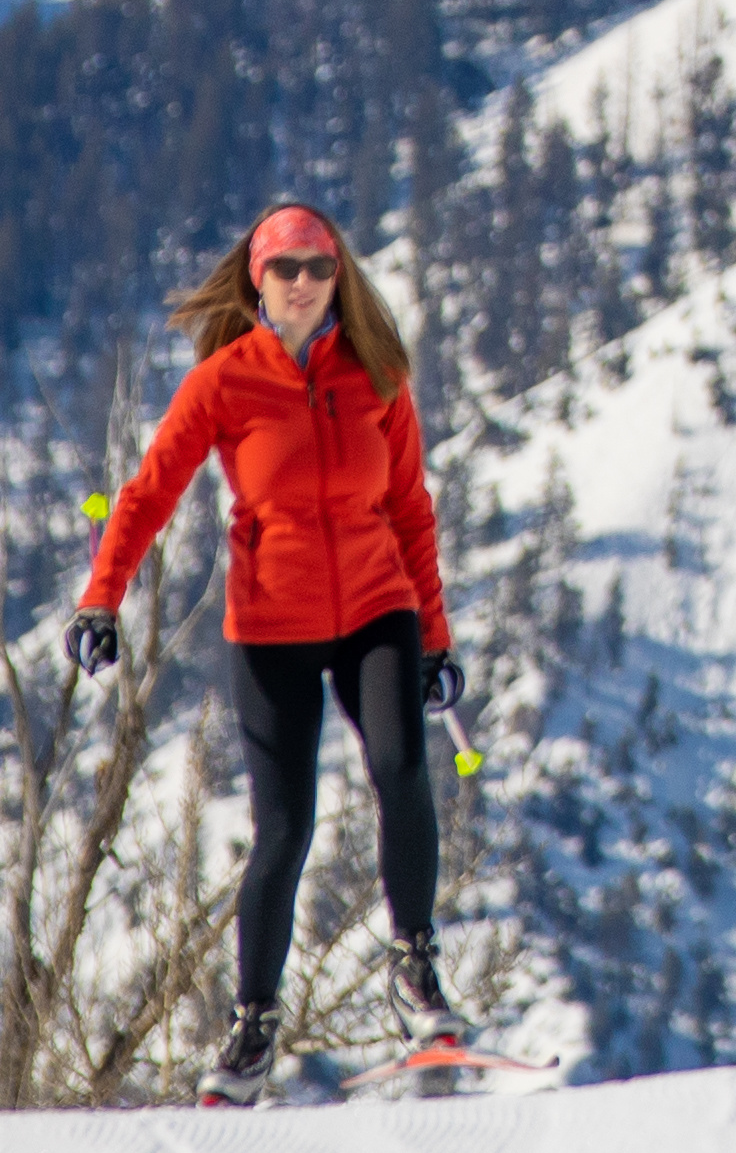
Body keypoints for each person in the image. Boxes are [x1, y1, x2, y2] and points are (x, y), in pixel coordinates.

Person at [74, 201, 468, 1102]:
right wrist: (102, 599)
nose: (302, 282)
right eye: (285, 267)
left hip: (377, 608)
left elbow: (410, 508)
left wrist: (435, 638)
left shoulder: (377, 374)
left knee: (403, 770)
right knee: (283, 830)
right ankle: (251, 1033)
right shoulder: (223, 383)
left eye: (318, 268)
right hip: (273, 626)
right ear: (257, 278)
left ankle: (416, 976)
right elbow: (147, 494)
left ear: (340, 278)